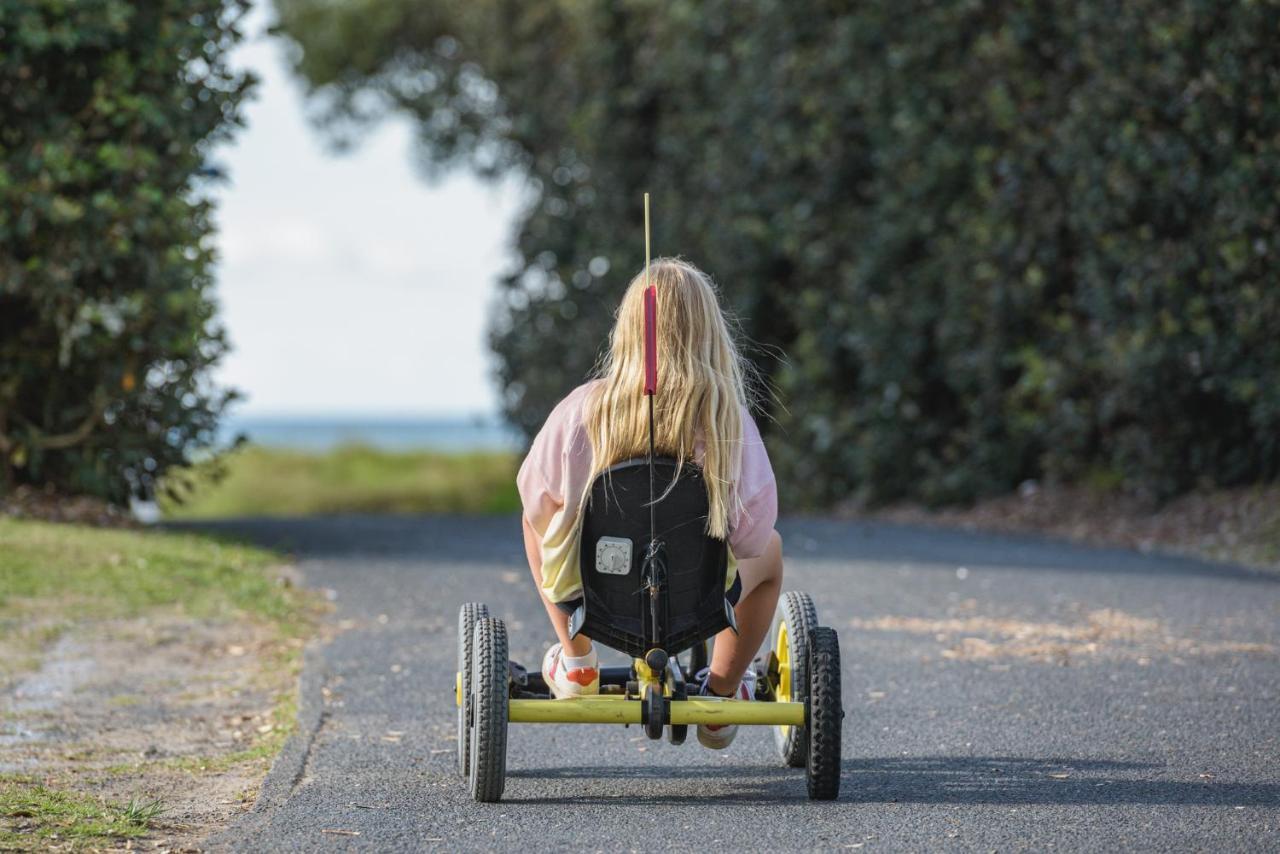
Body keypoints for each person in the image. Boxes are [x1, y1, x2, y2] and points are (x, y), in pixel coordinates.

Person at [516, 258, 782, 750]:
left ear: (627, 330)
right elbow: (749, 537)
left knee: (537, 521)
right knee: (772, 555)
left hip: (597, 592)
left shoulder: (582, 409)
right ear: (709, 332)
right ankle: (721, 696)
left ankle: (577, 663)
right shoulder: (727, 418)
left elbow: (536, 499)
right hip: (696, 595)